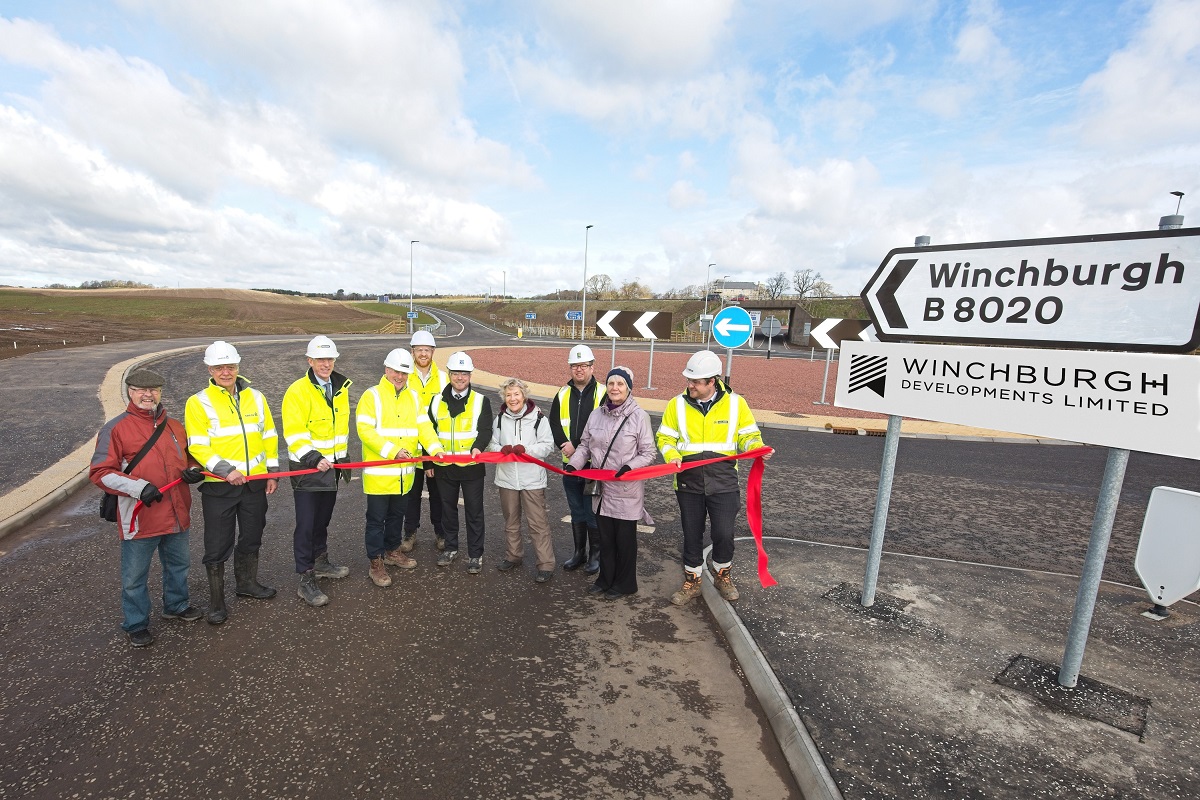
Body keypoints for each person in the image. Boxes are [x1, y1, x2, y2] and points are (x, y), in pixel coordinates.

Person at [91, 368, 204, 647]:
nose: (148, 394)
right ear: (130, 392)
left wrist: (194, 470)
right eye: (141, 390)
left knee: (178, 566)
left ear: (160, 392)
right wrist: (140, 488)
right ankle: (136, 623)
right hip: (140, 516)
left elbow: (190, 459)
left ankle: (176, 606)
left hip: (177, 511)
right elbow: (101, 472)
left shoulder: (175, 427)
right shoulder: (115, 429)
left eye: (153, 389)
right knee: (134, 577)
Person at [656, 350, 772, 606]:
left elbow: (748, 435)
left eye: (695, 382)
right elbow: (665, 437)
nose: (690, 385)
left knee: (723, 533)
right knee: (692, 534)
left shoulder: (736, 403)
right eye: (688, 380)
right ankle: (692, 581)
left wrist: (758, 448)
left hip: (724, 481)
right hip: (688, 481)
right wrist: (672, 455)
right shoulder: (676, 404)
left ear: (712, 382)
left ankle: (723, 575)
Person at [184, 341, 281, 625]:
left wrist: (271, 473)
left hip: (254, 485)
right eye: (219, 367)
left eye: (230, 366)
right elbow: (198, 447)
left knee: (252, 536)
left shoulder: (256, 397)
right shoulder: (198, 402)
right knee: (217, 545)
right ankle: (216, 602)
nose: (226, 372)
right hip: (220, 487)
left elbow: (270, 437)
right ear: (210, 369)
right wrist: (226, 470)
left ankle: (246, 584)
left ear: (238, 367)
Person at [566, 366, 657, 600]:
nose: (615, 388)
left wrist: (629, 467)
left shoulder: (639, 416)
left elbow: (648, 453)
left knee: (624, 541)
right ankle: (605, 579)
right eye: (611, 383)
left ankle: (625, 584)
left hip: (626, 489)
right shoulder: (596, 415)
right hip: (601, 490)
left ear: (628, 388)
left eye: (620, 384)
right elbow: (585, 445)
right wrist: (573, 464)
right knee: (605, 538)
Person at [356, 348, 441, 587]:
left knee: (396, 517)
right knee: (376, 520)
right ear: (386, 369)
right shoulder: (371, 396)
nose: (400, 376)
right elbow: (365, 431)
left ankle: (392, 551)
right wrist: (392, 451)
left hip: (405, 475)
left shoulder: (413, 397)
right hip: (380, 476)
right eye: (396, 371)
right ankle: (376, 562)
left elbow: (424, 427)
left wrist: (435, 449)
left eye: (404, 372)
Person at [282, 335, 353, 607]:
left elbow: (340, 428)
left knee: (322, 519)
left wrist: (341, 458)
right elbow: (294, 431)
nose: (326, 364)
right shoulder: (297, 390)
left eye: (330, 359)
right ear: (309, 361)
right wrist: (313, 457)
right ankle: (305, 576)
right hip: (307, 468)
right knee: (306, 523)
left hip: (331, 468)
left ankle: (321, 561)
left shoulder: (340, 388)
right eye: (320, 359)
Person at [421, 351, 493, 574]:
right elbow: (428, 432)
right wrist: (429, 464)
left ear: (470, 375)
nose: (460, 377)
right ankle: (451, 548)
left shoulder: (481, 401)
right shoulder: (435, 401)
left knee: (474, 512)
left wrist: (478, 447)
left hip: (471, 468)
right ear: (449, 374)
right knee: (447, 510)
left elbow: (486, 429)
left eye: (464, 373)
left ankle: (475, 554)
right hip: (443, 468)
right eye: (455, 373)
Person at [487, 377, 556, 583]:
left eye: (516, 394)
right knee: (511, 522)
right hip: (507, 479)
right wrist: (503, 449)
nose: (512, 398)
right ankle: (513, 555)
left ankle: (545, 564)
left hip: (532, 480)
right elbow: (491, 445)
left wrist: (527, 450)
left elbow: (547, 446)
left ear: (524, 395)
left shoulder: (539, 419)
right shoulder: (499, 419)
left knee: (538, 523)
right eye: (508, 395)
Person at [549, 344, 603, 574]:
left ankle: (595, 556)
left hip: (594, 466)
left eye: (583, 365)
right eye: (574, 366)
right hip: (569, 463)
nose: (579, 370)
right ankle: (579, 553)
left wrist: (581, 447)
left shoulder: (603, 393)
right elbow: (554, 424)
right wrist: (565, 445)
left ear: (592, 367)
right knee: (576, 510)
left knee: (592, 512)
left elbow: (605, 429)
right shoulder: (562, 394)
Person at [402, 329, 448, 553]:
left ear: (433, 352)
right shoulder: (403, 376)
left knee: (437, 494)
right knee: (411, 495)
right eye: (419, 350)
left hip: (433, 447)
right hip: (410, 447)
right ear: (413, 352)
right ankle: (410, 533)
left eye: (427, 350)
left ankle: (440, 532)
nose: (423, 354)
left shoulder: (443, 379)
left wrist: (434, 450)